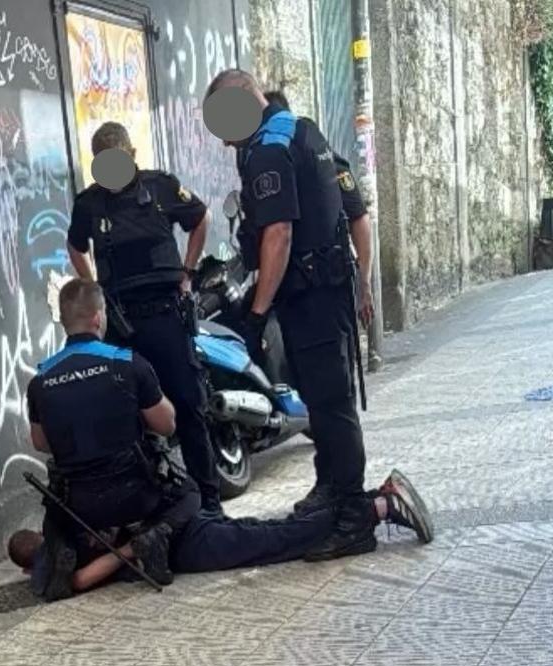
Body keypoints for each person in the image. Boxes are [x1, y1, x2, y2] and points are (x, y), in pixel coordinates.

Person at [204, 69, 380, 561]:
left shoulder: (268, 150)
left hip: (311, 298)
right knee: (323, 401)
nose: (224, 142)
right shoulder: (304, 131)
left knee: (331, 404)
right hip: (321, 292)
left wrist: (257, 313)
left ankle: (352, 518)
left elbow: (278, 234)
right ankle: (331, 491)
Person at [67, 122, 223, 515]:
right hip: (120, 321)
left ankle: (209, 502)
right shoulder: (89, 203)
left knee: (188, 405)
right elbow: (75, 245)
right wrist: (94, 288)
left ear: (132, 155)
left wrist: (187, 272)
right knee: (128, 416)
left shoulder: (159, 188)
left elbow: (200, 218)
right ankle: (149, 503)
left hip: (165, 313)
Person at [9, 469, 433, 598]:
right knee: (271, 534)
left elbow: (80, 580)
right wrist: (133, 546)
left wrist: (134, 547)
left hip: (182, 540)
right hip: (179, 530)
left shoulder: (59, 547)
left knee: (273, 540)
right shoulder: (63, 531)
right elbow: (80, 577)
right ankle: (373, 503)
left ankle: (379, 505)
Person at [26, 278, 199, 594]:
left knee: (53, 518)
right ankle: (145, 541)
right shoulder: (127, 362)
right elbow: (167, 425)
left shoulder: (40, 379)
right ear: (97, 317)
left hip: (81, 506)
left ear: (64, 321)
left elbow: (40, 443)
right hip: (137, 497)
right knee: (190, 494)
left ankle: (64, 549)